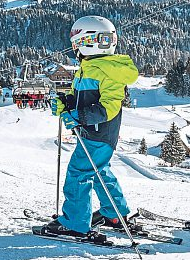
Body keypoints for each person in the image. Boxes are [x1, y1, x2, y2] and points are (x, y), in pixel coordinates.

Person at [41, 16, 139, 241]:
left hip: (98, 133)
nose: (74, 48)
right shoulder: (93, 67)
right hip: (96, 132)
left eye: (76, 43)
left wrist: (78, 115)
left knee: (79, 173)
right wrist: (68, 102)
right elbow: (86, 97)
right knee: (99, 170)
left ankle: (76, 224)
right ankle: (114, 213)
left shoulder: (104, 70)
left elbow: (109, 107)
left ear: (87, 42)